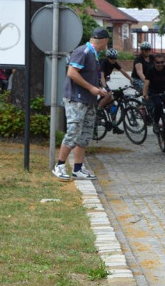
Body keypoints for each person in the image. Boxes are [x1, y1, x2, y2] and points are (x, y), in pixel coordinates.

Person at [52, 28, 111, 181]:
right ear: (104, 41)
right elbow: (71, 73)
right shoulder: (82, 51)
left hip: (89, 100)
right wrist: (91, 88)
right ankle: (59, 165)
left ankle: (78, 168)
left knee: (85, 134)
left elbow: (90, 76)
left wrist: (99, 89)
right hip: (76, 99)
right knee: (73, 132)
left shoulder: (94, 54)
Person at [98, 47, 132, 116]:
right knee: (108, 94)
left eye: (115, 58)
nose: (114, 60)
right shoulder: (103, 63)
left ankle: (113, 117)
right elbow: (102, 76)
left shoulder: (114, 63)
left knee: (112, 100)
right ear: (108, 57)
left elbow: (123, 72)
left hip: (103, 80)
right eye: (112, 58)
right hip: (96, 79)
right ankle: (98, 111)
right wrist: (105, 87)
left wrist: (131, 79)